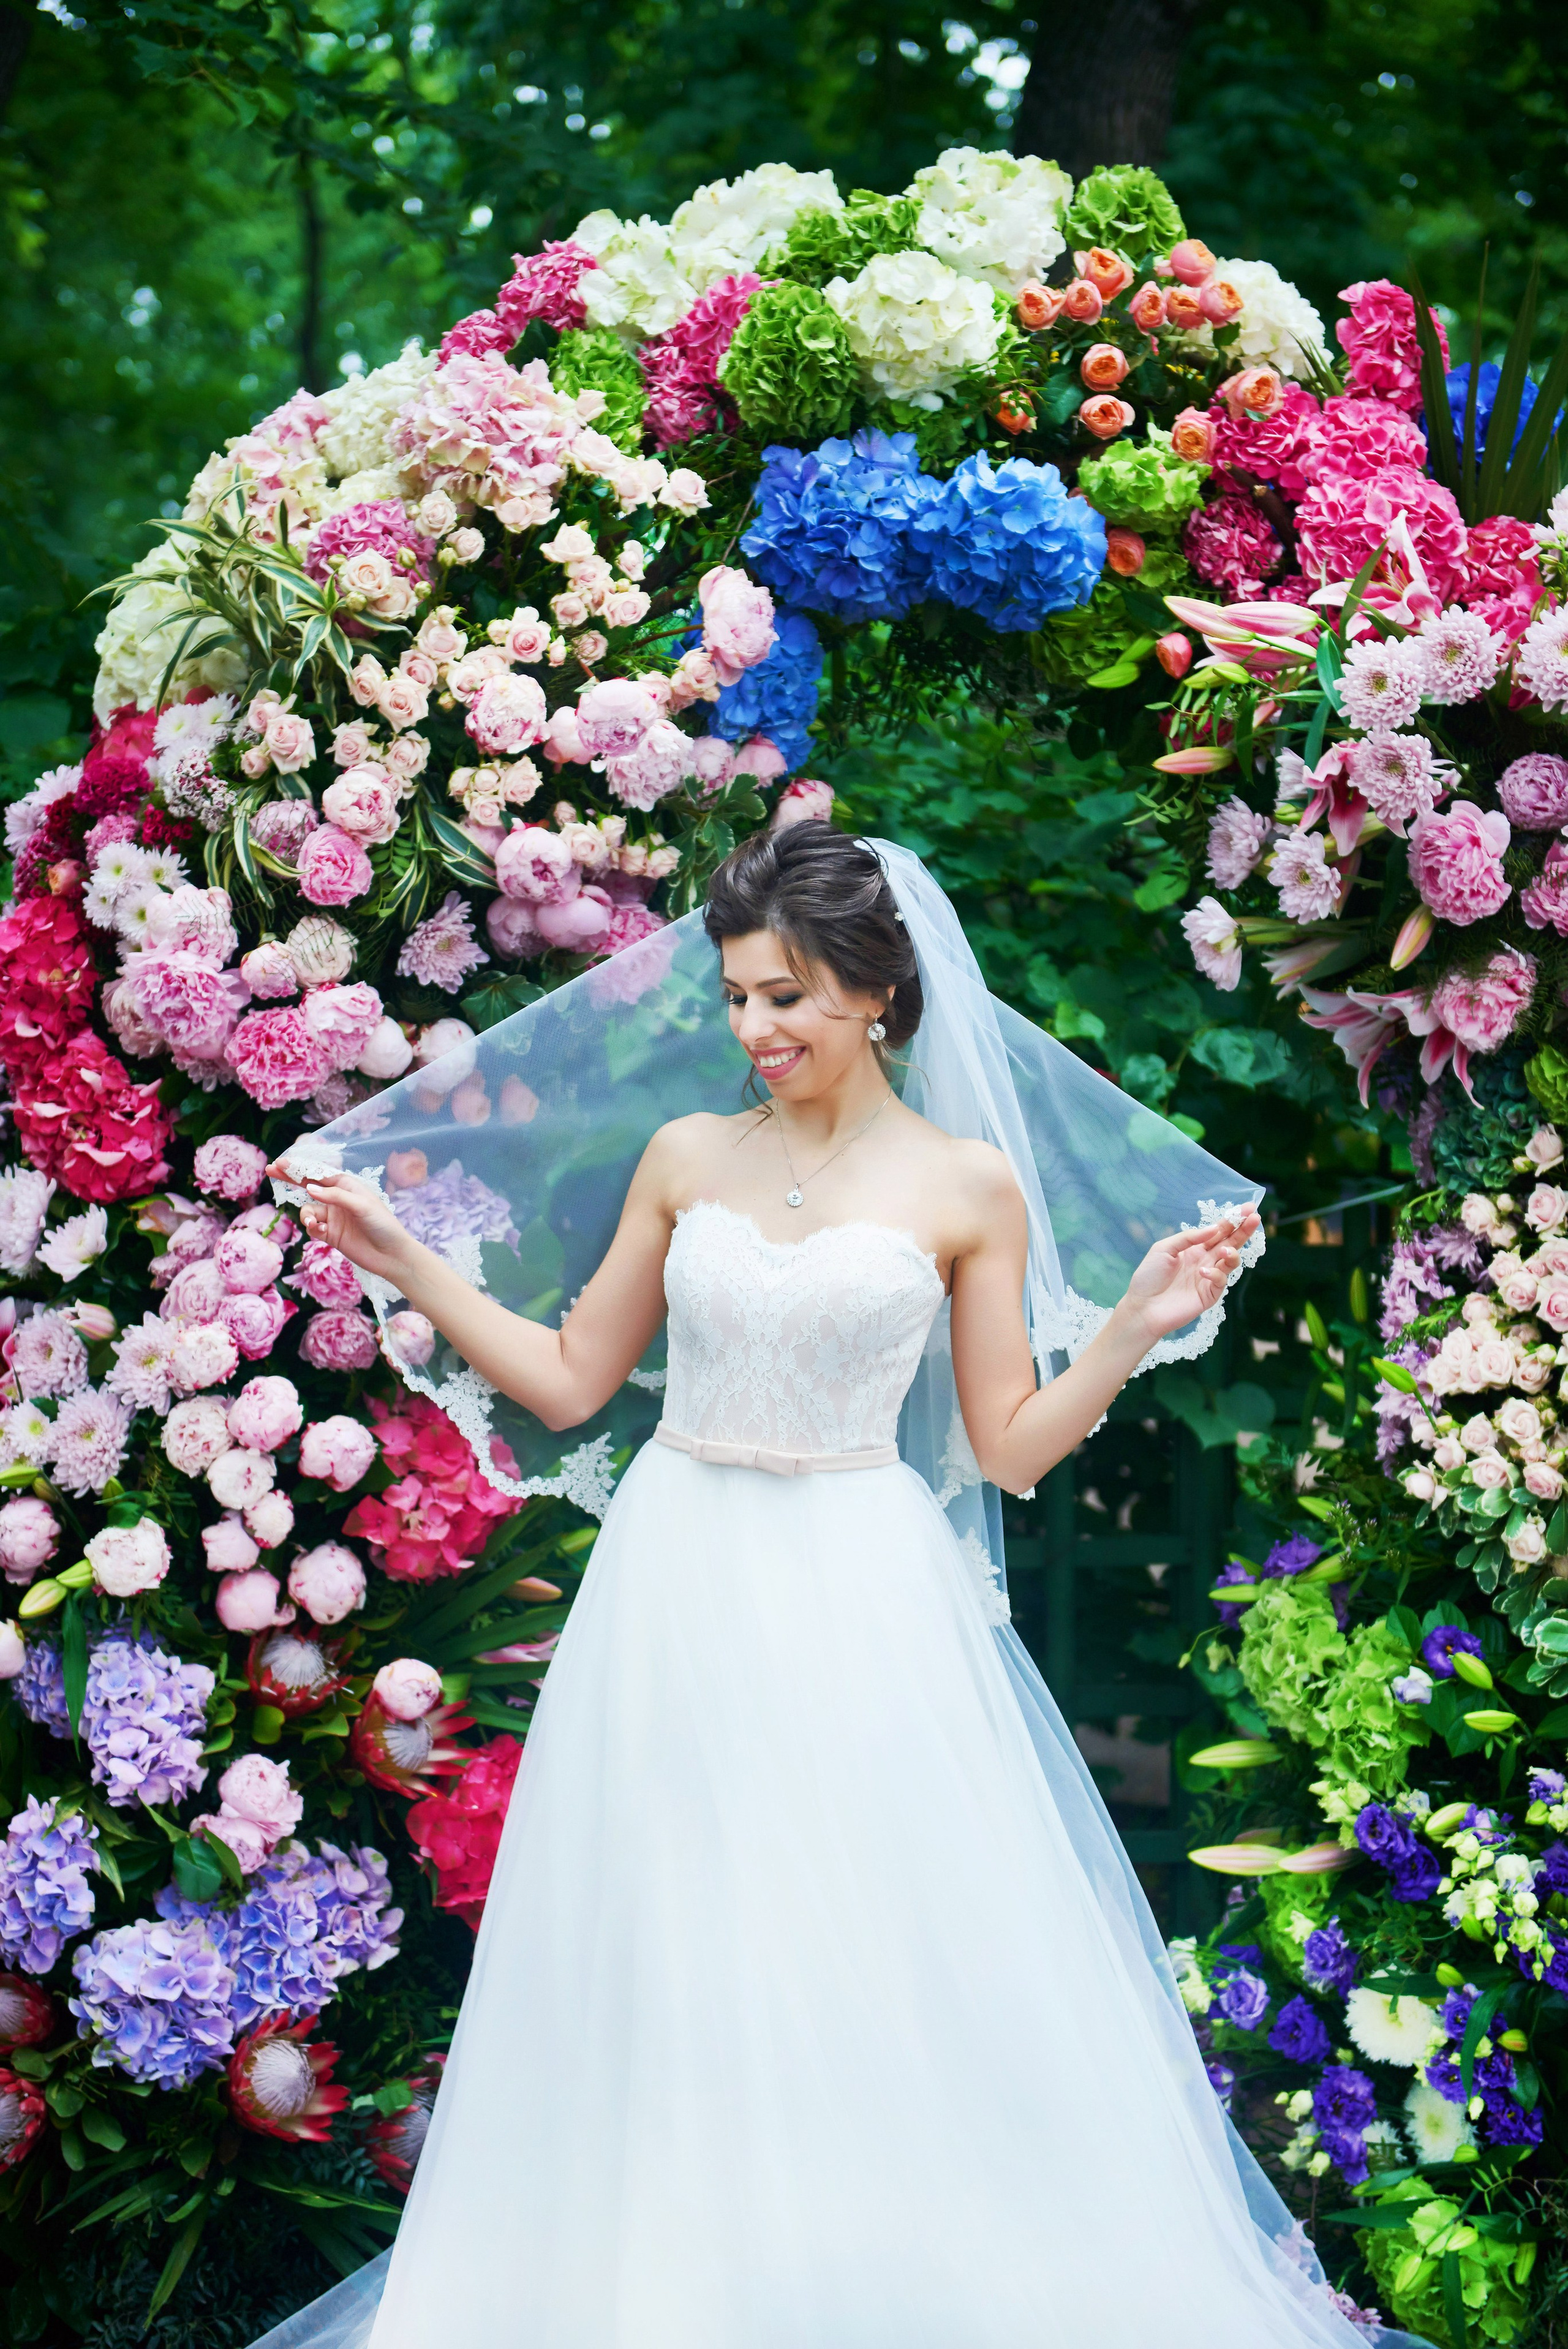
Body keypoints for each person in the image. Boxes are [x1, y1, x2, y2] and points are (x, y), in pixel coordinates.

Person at [256, 829, 1412, 2349]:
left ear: (877, 989)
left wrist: (1128, 1326)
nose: (758, 1031)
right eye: (738, 996)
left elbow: (1003, 1450)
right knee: (664, 1940)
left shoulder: (964, 1184)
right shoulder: (687, 1155)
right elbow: (564, 1380)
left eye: (788, 995)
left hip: (859, 1591)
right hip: (675, 1579)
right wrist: (402, 1255)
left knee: (857, 1945)